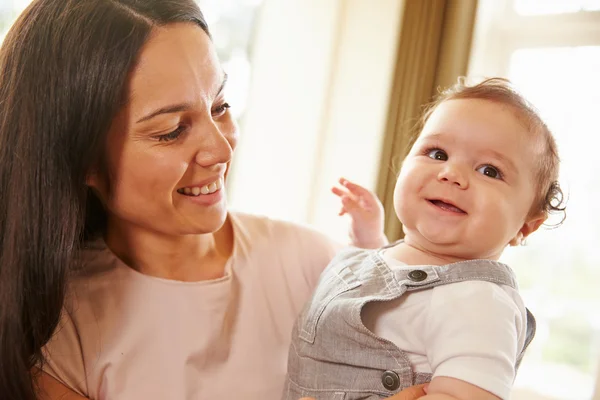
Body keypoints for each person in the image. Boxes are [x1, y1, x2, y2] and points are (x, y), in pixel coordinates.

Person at [0, 1, 425, 399]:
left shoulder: (314, 265)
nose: (221, 149)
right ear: (82, 159)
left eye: (220, 106)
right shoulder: (57, 332)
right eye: (171, 130)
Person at [282, 78, 565, 400]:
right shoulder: (405, 261)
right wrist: (368, 238)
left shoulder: (479, 301)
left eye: (489, 171)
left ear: (525, 227)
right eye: (437, 153)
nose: (451, 174)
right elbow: (385, 293)